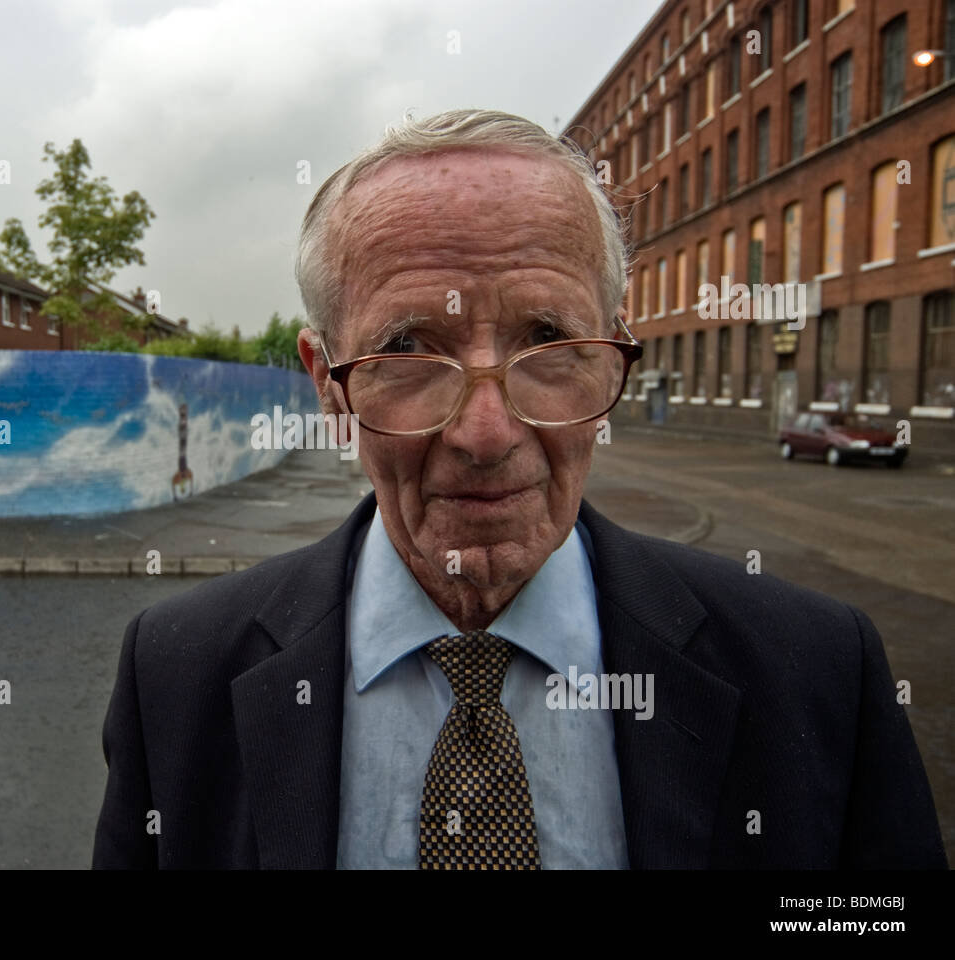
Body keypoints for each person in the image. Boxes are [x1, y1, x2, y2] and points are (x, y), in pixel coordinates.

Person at [92, 109, 946, 869]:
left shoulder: (818, 670)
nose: (486, 433)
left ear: (611, 349)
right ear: (327, 382)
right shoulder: (177, 676)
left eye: (549, 341)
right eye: (410, 350)